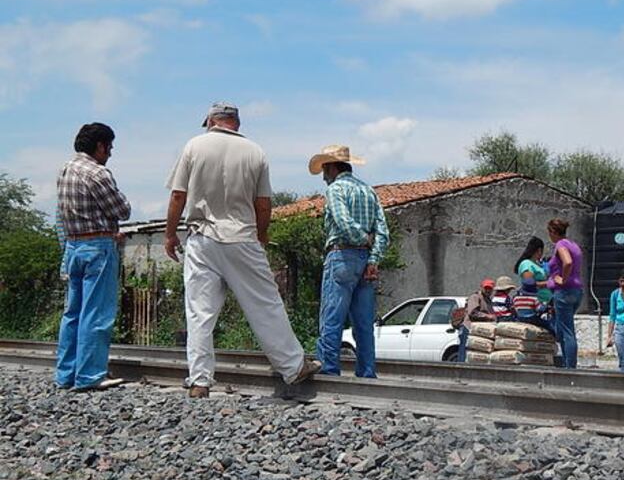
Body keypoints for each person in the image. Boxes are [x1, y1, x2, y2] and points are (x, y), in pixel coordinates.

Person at [165, 102, 320, 398]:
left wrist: (170, 235)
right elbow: (263, 204)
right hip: (242, 237)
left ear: (211, 121)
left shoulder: (194, 146)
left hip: (201, 239)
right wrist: (261, 234)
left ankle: (199, 381)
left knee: (200, 313)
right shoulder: (255, 152)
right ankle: (292, 367)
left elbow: (177, 195)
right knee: (265, 304)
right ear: (236, 122)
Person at [55, 123, 130, 391]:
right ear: (100, 145)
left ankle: (66, 375)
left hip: (73, 246)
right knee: (96, 313)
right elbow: (122, 210)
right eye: (109, 146)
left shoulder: (65, 170)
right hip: (98, 245)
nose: (110, 151)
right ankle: (90, 375)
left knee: (72, 313)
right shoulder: (97, 173)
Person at [309, 144, 389, 377]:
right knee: (363, 323)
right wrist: (373, 257)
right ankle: (367, 372)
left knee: (331, 318)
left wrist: (362, 239)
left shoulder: (335, 190)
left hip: (342, 256)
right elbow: (382, 231)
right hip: (366, 261)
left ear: (332, 167)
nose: (323, 175)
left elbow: (343, 221)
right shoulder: (368, 191)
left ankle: (329, 370)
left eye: (325, 169)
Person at [546, 218, 584, 369]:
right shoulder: (573, 244)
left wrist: (563, 279)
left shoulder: (560, 245)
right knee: (561, 329)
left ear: (553, 232)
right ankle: (565, 362)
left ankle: (570, 368)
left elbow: (567, 262)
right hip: (577, 291)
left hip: (564, 291)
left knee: (567, 331)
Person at [457, 279, 497, 362]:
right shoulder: (475, 297)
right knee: (464, 353)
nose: (488, 290)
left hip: (478, 331)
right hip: (468, 329)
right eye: (486, 288)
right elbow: (473, 312)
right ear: (481, 287)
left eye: (490, 288)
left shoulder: (488, 300)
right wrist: (488, 316)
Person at [514, 236, 553, 308]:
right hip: (535, 304)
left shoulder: (539, 264)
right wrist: (550, 283)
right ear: (539, 250)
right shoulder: (526, 264)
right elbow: (529, 284)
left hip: (546, 302)